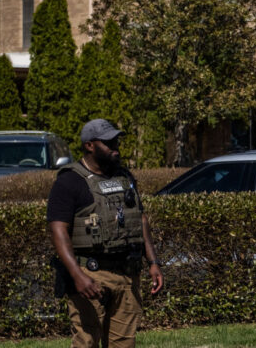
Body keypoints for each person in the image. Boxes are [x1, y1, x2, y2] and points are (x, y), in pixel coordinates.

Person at [47, 119, 164, 347]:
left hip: (127, 274)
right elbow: (58, 231)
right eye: (108, 142)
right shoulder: (70, 181)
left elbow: (140, 218)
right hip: (90, 274)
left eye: (116, 141)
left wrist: (153, 262)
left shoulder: (124, 177)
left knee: (124, 343)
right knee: (86, 341)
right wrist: (77, 275)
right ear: (90, 146)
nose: (115, 147)